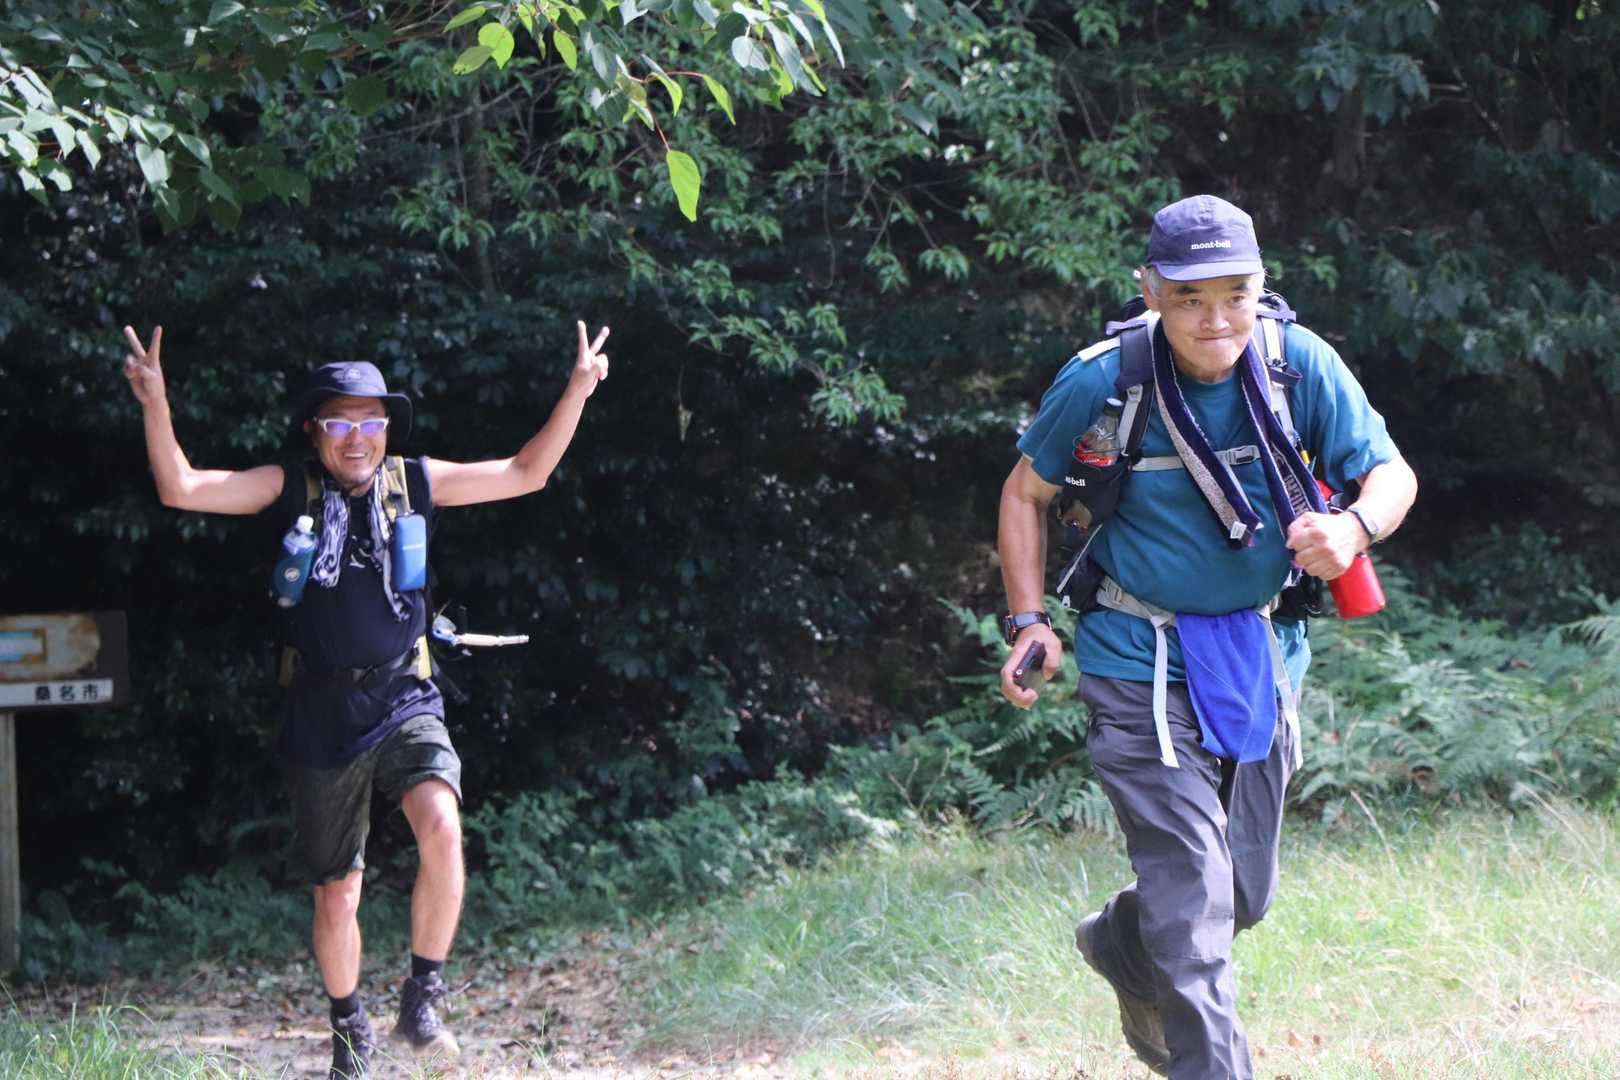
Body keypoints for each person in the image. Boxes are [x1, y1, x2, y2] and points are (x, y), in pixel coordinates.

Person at [996, 195, 1417, 1079]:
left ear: (1261, 286)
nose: (1215, 318)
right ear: (1151, 289)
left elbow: (1389, 473)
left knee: (1241, 897)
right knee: (1193, 909)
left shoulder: (1297, 364)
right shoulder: (1104, 381)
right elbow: (1026, 493)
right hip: (1135, 656)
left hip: (1258, 654)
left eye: (1235, 294)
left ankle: (1120, 940)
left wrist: (1355, 529)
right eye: (1190, 297)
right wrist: (1030, 619)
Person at [121, 321, 611, 1079]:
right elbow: (180, 487)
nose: (358, 438)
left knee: (442, 826)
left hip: (405, 692)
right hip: (320, 710)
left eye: (372, 421)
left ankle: (423, 997)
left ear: (388, 427)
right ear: (314, 430)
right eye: (341, 423)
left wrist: (577, 389)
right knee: (337, 893)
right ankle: (350, 1031)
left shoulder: (415, 481)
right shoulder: (289, 487)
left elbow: (526, 471)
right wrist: (155, 400)